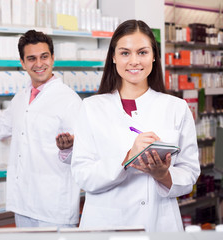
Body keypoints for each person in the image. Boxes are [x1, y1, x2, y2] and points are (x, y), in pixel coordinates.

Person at [71, 20, 200, 232]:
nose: (134, 61)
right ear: (113, 57)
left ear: (154, 55)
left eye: (142, 52)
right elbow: (83, 175)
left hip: (159, 223)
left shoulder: (176, 108)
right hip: (107, 224)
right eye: (125, 53)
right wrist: (127, 157)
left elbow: (190, 172)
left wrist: (163, 176)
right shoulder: (91, 108)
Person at [0, 30, 82, 228]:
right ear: (23, 62)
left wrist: (68, 148)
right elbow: (0, 128)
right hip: (23, 203)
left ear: (53, 58)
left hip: (53, 206)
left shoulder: (69, 100)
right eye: (31, 58)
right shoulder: (21, 97)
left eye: (44, 57)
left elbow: (84, 155)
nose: (39, 64)